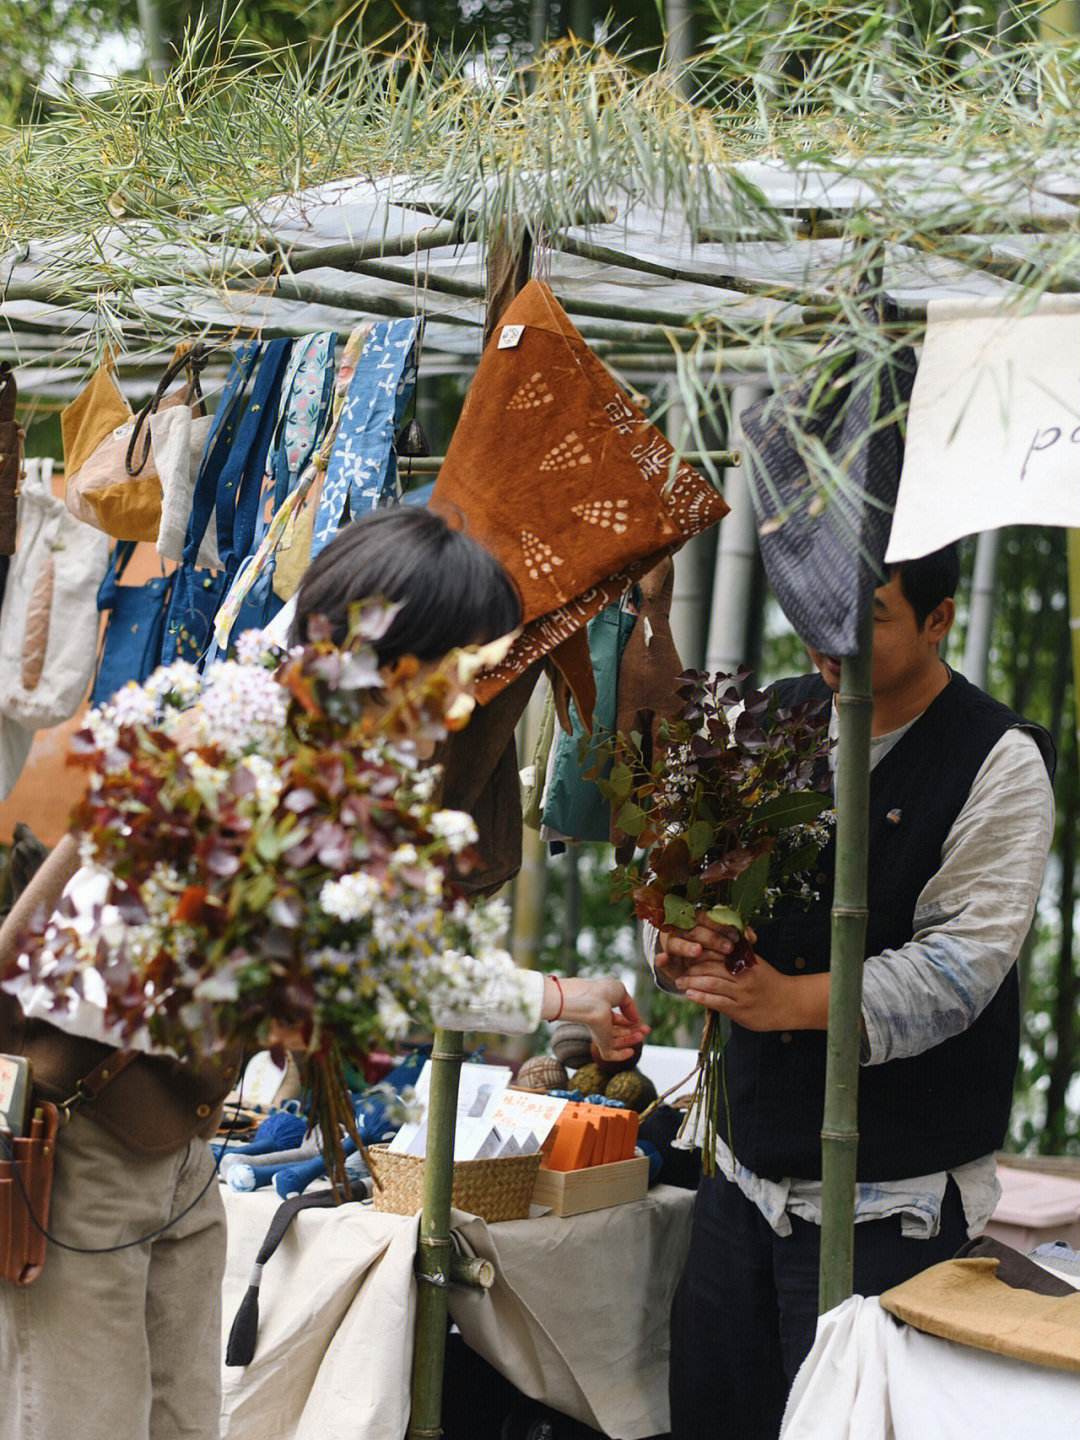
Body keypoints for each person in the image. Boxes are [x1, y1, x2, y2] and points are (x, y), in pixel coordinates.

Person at [0, 507, 646, 1440]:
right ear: (389, 642)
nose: (462, 701)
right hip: (85, 1144)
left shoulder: (342, 763)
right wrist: (279, 984)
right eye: (457, 668)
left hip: (176, 1148)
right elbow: (97, 974)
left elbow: (378, 955)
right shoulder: (232, 744)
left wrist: (554, 995)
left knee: (187, 1423)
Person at [656, 545, 1056, 1439]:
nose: (830, 647)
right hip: (741, 1175)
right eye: (816, 615)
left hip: (893, 1207)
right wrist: (681, 941)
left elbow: (960, 967)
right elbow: (689, 874)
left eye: (867, 620)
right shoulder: (775, 719)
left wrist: (787, 1001)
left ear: (938, 620)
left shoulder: (998, 759)